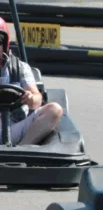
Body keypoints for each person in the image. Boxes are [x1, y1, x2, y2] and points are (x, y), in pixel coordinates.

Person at [0, 17, 63, 145]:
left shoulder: (19, 68)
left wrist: (30, 98)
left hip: (14, 126)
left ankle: (21, 151)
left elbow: (36, 100)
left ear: (4, 44)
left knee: (54, 110)